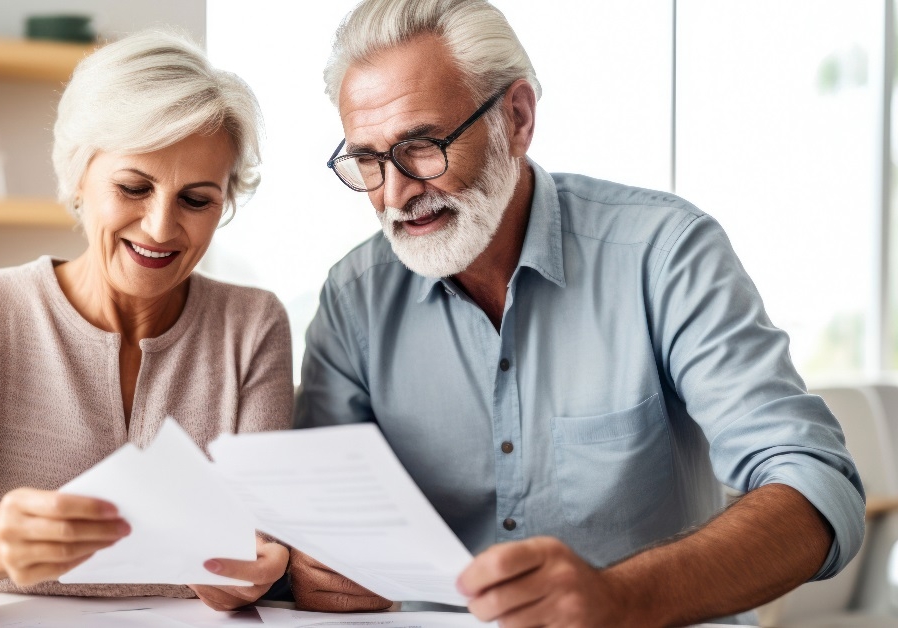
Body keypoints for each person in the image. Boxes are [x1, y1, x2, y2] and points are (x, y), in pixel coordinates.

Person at [292, 1, 865, 625]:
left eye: (422, 147)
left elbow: (816, 487)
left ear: (516, 118)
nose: (396, 193)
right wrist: (309, 561)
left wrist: (620, 598)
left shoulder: (664, 254)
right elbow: (316, 517)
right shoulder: (355, 297)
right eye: (368, 162)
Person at [0, 31, 293, 616]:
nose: (160, 227)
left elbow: (263, 540)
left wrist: (256, 570)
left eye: (197, 200)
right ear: (78, 177)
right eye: (133, 188)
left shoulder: (253, 326)